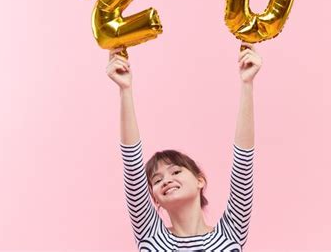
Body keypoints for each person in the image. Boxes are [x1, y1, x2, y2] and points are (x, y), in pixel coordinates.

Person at [106, 42, 262, 251]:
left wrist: (247, 84)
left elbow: (243, 163)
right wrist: (125, 89)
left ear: (200, 180)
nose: (167, 180)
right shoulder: (150, 236)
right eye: (157, 180)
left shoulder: (230, 234)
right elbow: (132, 163)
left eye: (176, 171)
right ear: (155, 199)